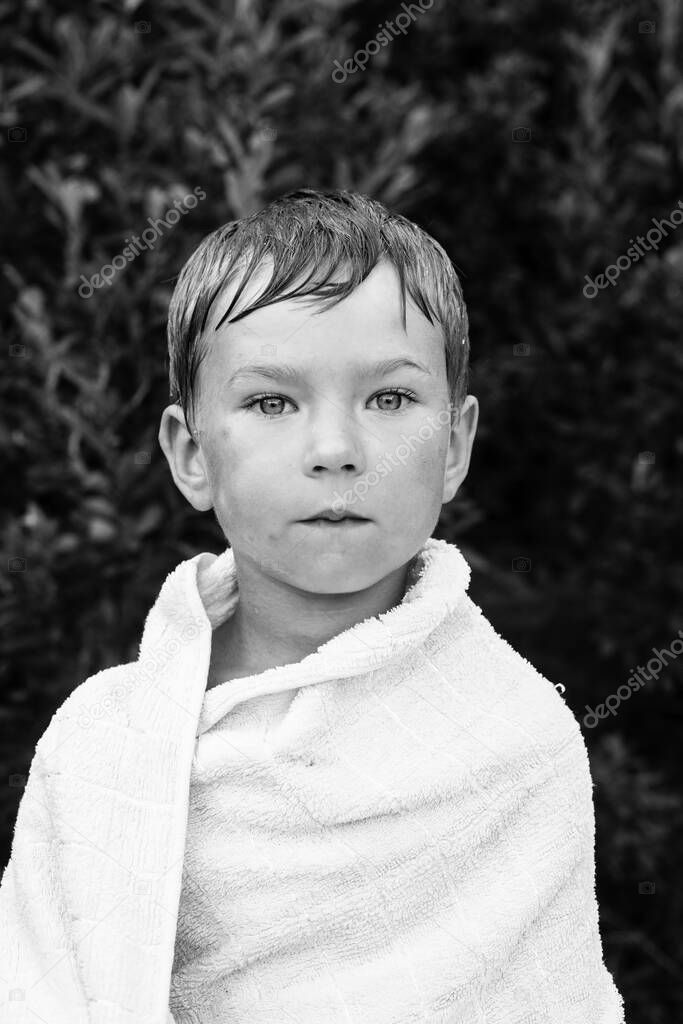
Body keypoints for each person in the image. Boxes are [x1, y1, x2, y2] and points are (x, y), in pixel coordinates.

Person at [0, 189, 625, 1023]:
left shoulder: (513, 741)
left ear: (454, 445)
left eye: (390, 400)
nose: (335, 450)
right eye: (270, 403)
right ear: (190, 454)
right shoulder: (101, 751)